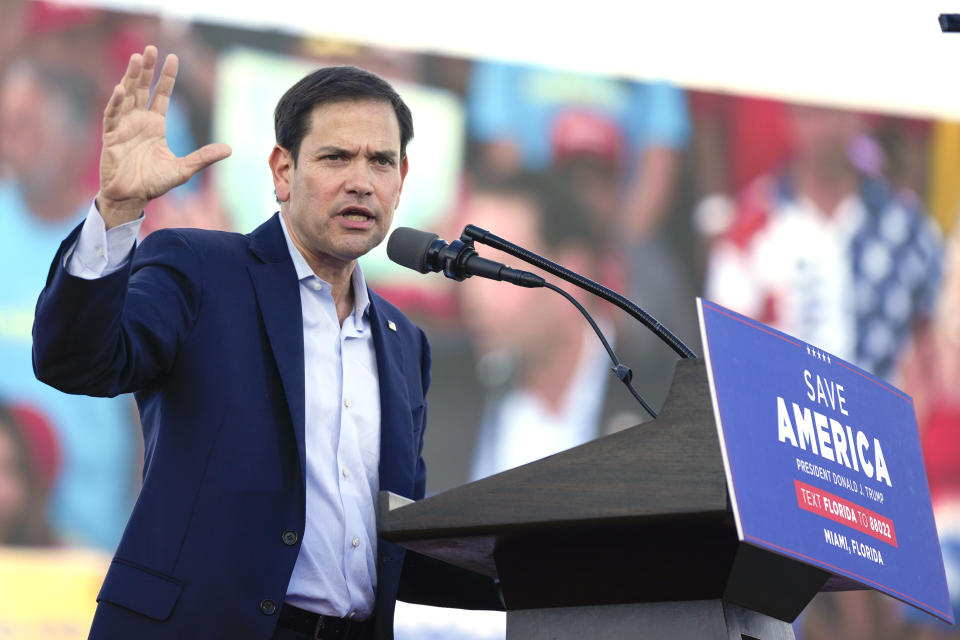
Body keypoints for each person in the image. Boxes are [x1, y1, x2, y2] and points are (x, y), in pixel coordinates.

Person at [32, 45, 500, 640]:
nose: (361, 181)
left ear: (402, 180)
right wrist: (119, 210)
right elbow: (75, 361)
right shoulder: (202, 268)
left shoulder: (404, 342)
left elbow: (393, 543)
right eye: (336, 157)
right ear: (283, 171)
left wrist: (552, 566)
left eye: (381, 161)